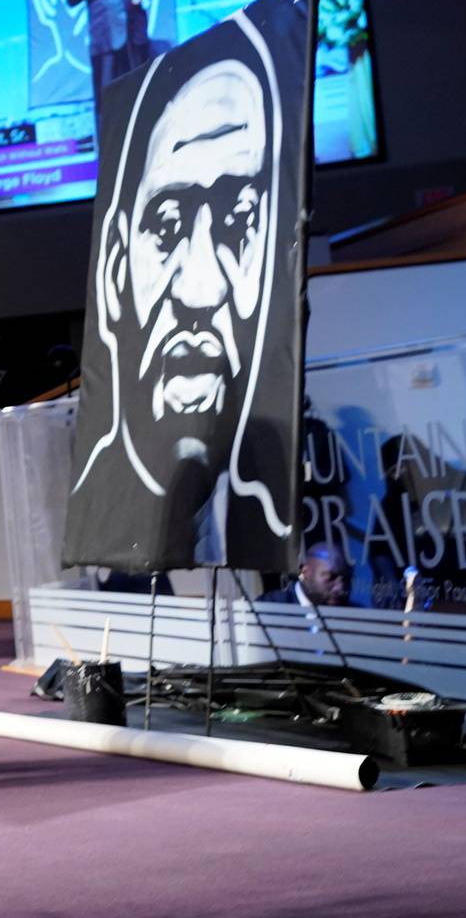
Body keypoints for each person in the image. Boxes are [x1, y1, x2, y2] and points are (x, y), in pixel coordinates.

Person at [69, 47, 290, 568]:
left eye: (239, 220)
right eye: (167, 226)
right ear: (114, 272)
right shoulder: (98, 520)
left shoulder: (268, 511)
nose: (201, 289)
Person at [263, 543, 351, 608]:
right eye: (331, 577)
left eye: (345, 579)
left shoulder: (351, 615)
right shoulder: (272, 606)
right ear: (305, 573)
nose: (339, 588)